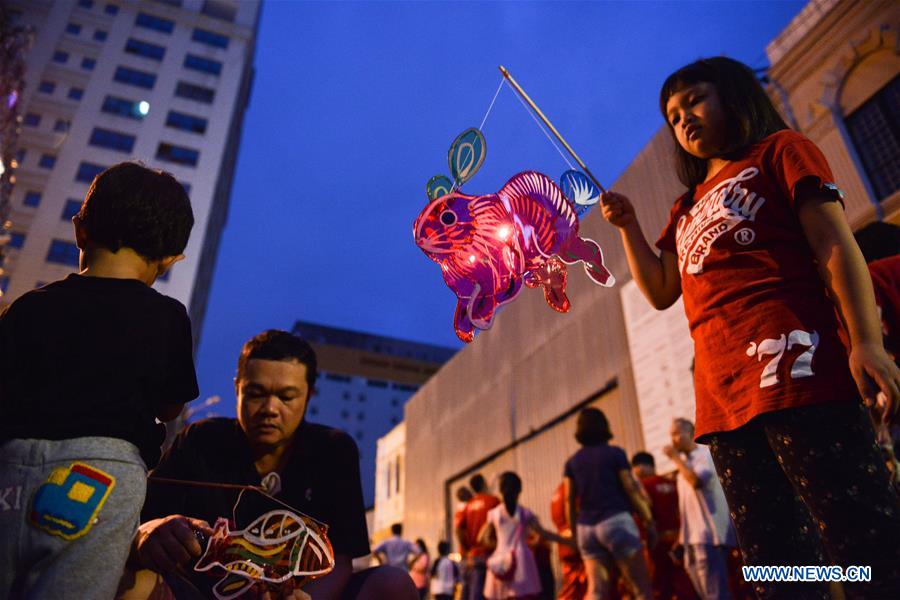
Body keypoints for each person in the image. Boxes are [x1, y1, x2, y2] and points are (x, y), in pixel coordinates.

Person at [600, 55, 900, 598]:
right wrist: (628, 228)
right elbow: (663, 289)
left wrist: (866, 343)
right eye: (672, 115)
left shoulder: (780, 151)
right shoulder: (685, 206)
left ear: (735, 96)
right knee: (774, 562)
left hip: (802, 376)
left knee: (864, 546)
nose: (683, 118)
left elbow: (835, 243)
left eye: (694, 100)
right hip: (723, 409)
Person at [0, 162, 198, 599]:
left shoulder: (29, 306)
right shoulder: (166, 316)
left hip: (11, 467)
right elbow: (170, 405)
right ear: (169, 259)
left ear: (80, 231)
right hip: (99, 475)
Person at [124, 330, 417, 600]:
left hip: (299, 593)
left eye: (287, 396)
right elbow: (138, 524)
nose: (270, 409)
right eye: (256, 394)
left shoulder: (333, 450)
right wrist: (150, 532)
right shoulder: (200, 440)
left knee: (392, 583)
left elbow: (341, 560)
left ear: (309, 395)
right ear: (237, 388)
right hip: (200, 591)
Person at [564, 408, 654, 600]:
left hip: (586, 529)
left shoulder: (572, 462)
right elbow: (630, 487)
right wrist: (648, 520)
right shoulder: (615, 454)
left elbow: (568, 500)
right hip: (616, 522)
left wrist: (574, 534)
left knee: (596, 591)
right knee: (641, 589)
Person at [663, 420, 735, 600]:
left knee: (715, 594)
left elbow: (696, 482)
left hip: (709, 537)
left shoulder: (705, 455)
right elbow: (688, 508)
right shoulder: (684, 465)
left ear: (692, 432)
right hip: (691, 540)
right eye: (671, 435)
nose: (674, 440)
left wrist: (675, 458)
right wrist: (682, 537)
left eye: (678, 433)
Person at [478, 471, 571, 600]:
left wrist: (498, 545)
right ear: (519, 490)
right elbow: (543, 534)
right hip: (522, 560)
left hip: (500, 560)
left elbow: (482, 538)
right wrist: (568, 541)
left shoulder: (494, 514)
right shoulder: (525, 513)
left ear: (500, 490)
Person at [631, 452, 697, 600]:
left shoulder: (643, 487)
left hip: (658, 545)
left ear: (640, 468)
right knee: (685, 585)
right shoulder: (674, 483)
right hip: (681, 541)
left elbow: (643, 519)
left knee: (661, 587)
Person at [457, 473, 501, 600]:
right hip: (491, 554)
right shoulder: (493, 501)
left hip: (474, 556)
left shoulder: (468, 506)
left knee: (473, 593)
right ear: (483, 483)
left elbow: (458, 529)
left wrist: (467, 550)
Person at [550, 481, 588, 600]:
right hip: (578, 540)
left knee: (571, 587)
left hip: (564, 544)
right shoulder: (577, 487)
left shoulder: (559, 490)